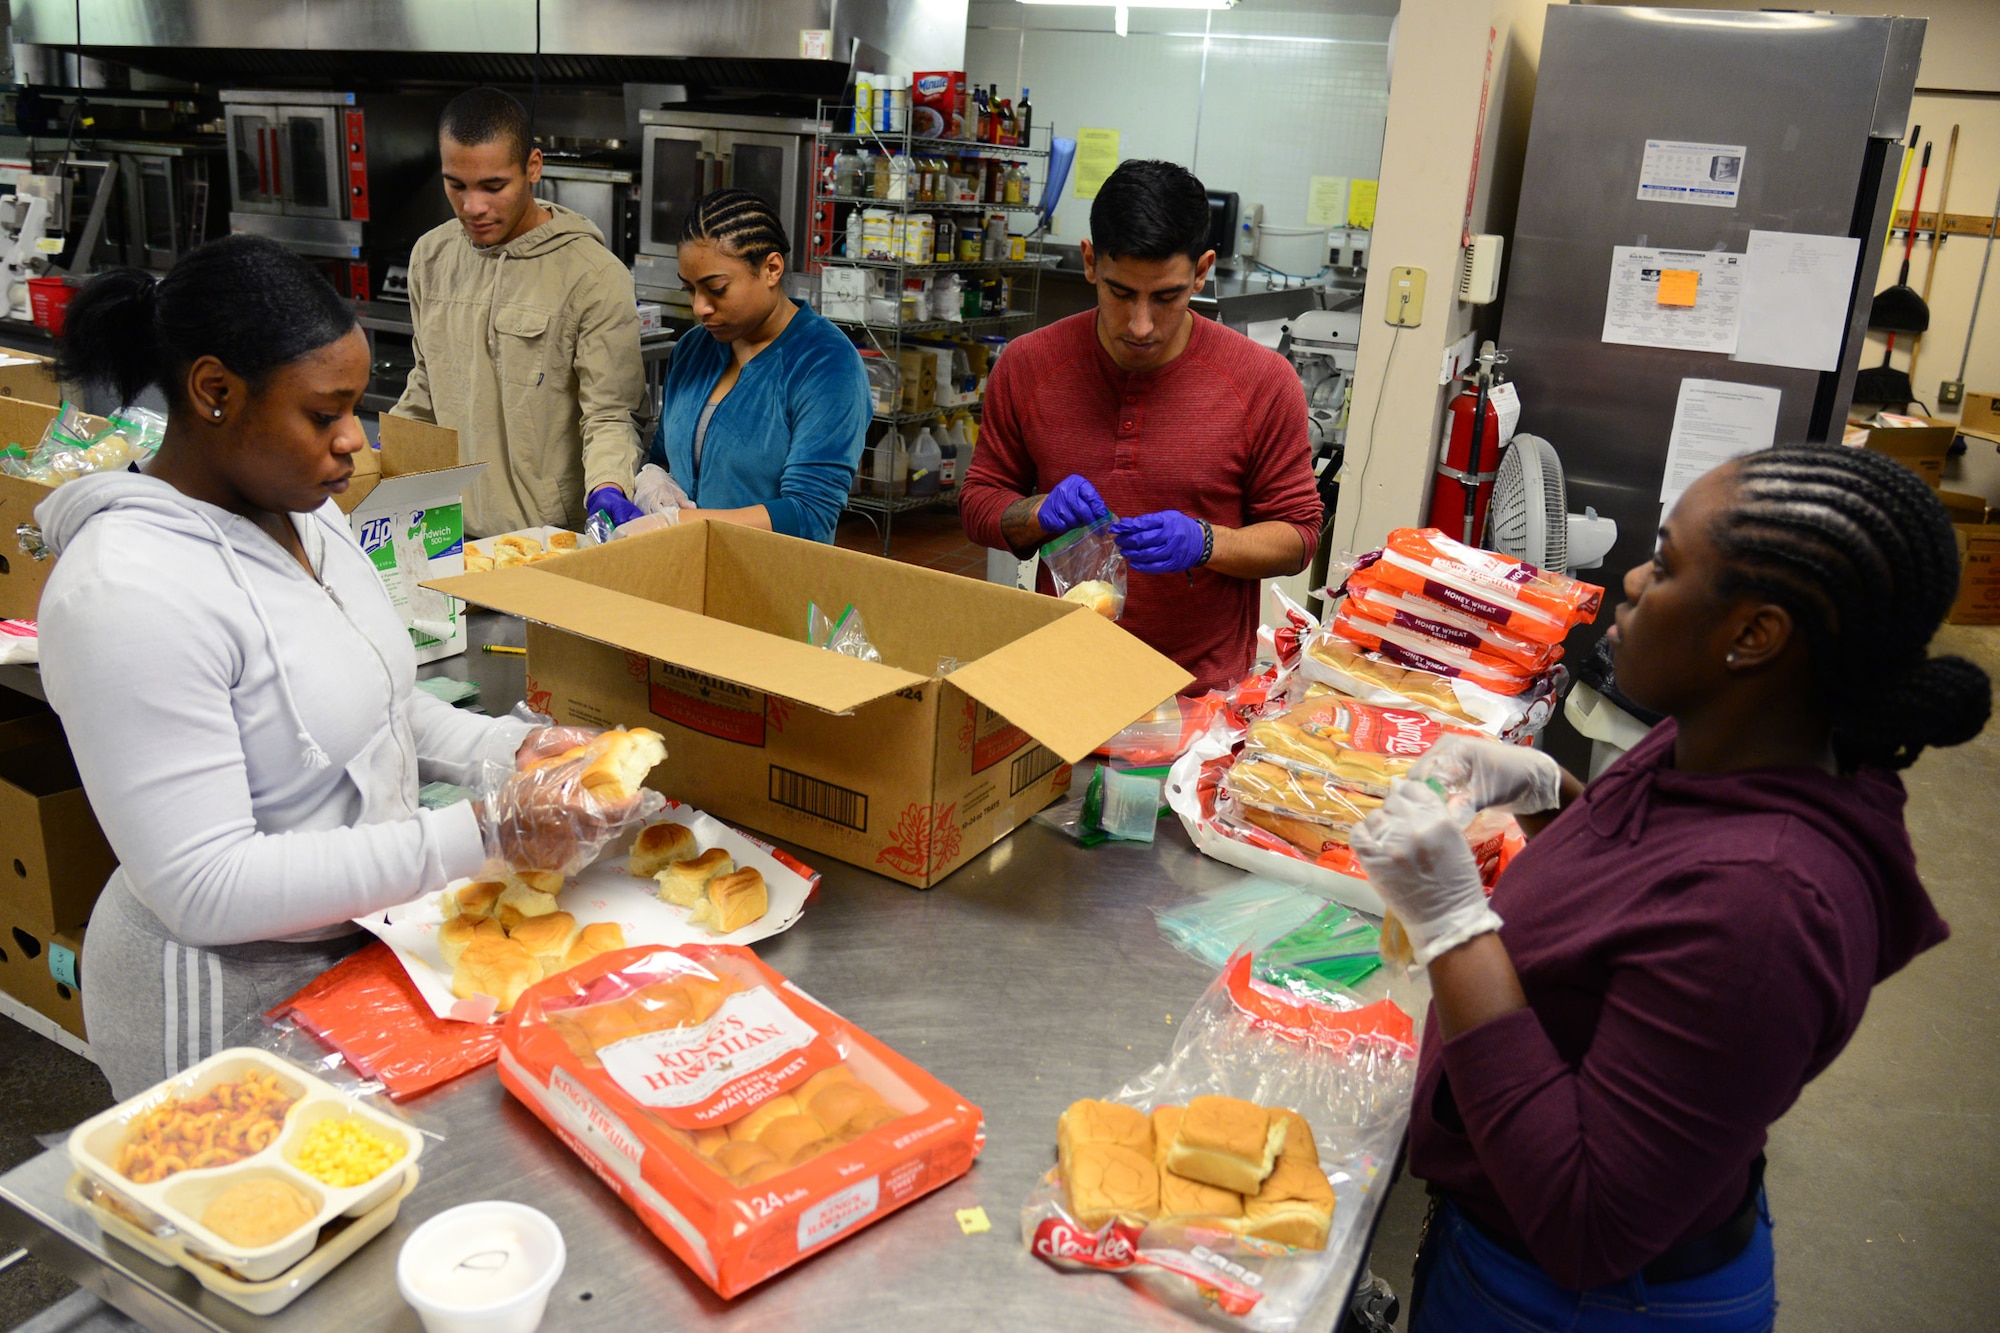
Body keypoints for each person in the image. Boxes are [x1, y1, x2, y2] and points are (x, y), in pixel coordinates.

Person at [1349, 446, 1992, 1331]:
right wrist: (1549, 797)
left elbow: (1587, 1219)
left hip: (1584, 1299)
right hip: (1497, 1237)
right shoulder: (1726, 736)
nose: (1632, 581)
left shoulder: (1767, 907)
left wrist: (1453, 924)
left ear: (1754, 635)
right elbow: (1642, 896)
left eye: (1669, 564)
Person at [35, 237, 639, 1101]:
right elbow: (208, 886)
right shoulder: (125, 592)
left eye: (358, 408)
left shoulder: (305, 516)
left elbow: (386, 709)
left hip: (359, 945)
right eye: (326, 414)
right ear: (215, 392)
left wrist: (521, 756)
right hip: (228, 1004)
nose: (357, 440)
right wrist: (485, 829)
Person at [959, 159, 1322, 693]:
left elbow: (1298, 538)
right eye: (1121, 293)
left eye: (1168, 296)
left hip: (1201, 694)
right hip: (1058, 675)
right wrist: (1038, 512)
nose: (1141, 325)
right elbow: (978, 504)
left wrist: (1206, 542)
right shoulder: (1028, 364)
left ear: (1202, 271)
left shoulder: (1262, 381)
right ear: (1089, 262)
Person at [394, 86, 647, 537]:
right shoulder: (430, 257)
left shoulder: (592, 275)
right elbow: (425, 385)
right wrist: (386, 455)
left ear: (533, 167)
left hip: (548, 540)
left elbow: (610, 414)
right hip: (444, 531)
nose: (474, 207)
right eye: (457, 184)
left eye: (494, 186)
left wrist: (608, 487)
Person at [643, 188, 868, 543]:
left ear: (771, 269)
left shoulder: (825, 363)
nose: (700, 307)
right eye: (690, 289)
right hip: (683, 567)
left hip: (771, 580)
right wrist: (650, 479)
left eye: (716, 289)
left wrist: (678, 524)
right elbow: (663, 457)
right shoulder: (693, 350)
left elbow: (808, 513)